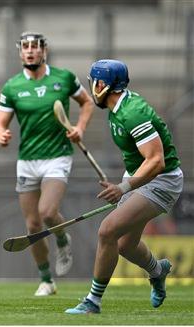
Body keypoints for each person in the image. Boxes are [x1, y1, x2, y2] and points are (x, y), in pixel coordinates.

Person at [65, 59, 182, 314]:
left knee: (107, 231)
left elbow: (157, 160)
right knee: (125, 245)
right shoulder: (116, 108)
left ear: (103, 85)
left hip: (162, 181)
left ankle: (93, 301)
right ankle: (157, 270)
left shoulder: (132, 112)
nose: (91, 87)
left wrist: (125, 186)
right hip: (143, 176)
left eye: (93, 83)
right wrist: (125, 183)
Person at [0, 31, 95, 296]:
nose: (30, 51)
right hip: (27, 160)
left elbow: (86, 103)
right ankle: (47, 280)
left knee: (48, 212)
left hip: (57, 156)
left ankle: (62, 238)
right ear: (20, 52)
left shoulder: (64, 78)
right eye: (25, 47)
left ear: (44, 51)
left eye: (35, 47)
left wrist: (80, 128)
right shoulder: (12, 86)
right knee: (33, 226)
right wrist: (0, 134)